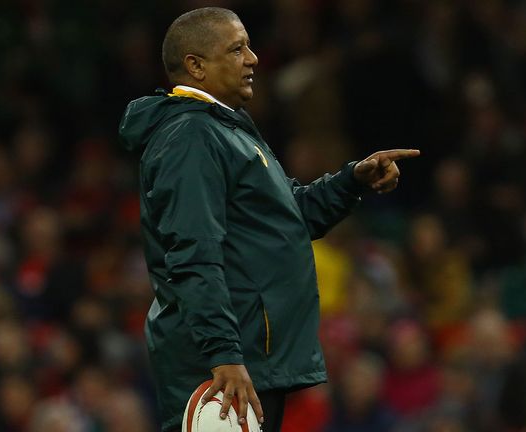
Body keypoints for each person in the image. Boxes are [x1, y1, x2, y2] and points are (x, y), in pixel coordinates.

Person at [118, 7, 419, 432]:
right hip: (224, 364)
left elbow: (288, 219)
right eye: (237, 49)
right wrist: (223, 353)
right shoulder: (191, 136)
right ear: (196, 66)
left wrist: (352, 180)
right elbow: (191, 251)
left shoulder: (226, 129)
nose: (254, 58)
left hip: (247, 358)